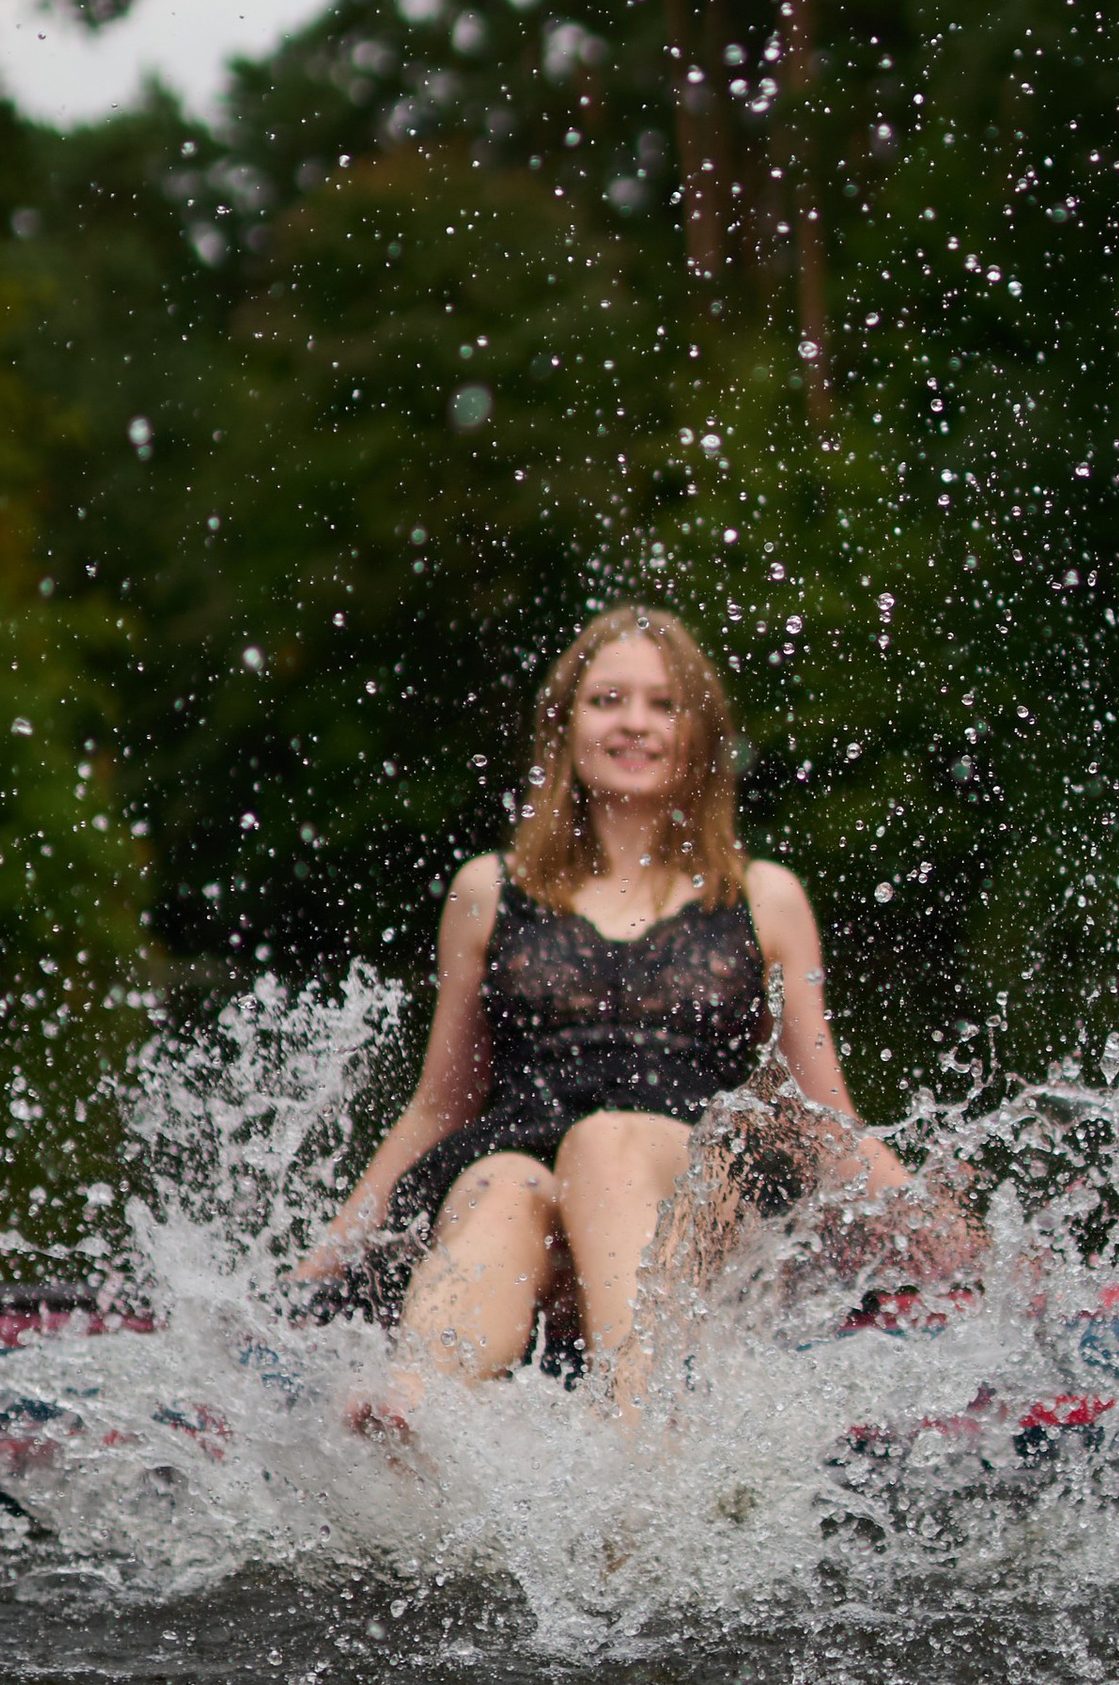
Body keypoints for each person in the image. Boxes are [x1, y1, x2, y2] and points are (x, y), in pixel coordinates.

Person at [302, 603, 944, 1410]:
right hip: (529, 1187)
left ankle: (641, 1431)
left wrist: (945, 1243)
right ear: (565, 727)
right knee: (501, 1183)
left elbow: (826, 1117)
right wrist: (315, 1270)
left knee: (605, 1147)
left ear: (698, 733)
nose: (634, 723)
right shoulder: (487, 890)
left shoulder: (765, 898)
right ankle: (410, 1405)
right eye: (608, 701)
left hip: (692, 1195)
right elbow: (440, 1106)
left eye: (662, 704)